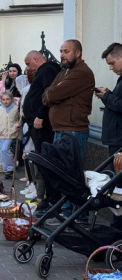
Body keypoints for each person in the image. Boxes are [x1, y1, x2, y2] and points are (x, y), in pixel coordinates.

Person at [42, 39, 95, 222]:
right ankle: (66, 212)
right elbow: (47, 93)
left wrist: (51, 94)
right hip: (61, 129)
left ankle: (78, 216)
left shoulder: (82, 73)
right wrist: (51, 94)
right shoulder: (65, 72)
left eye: (67, 51)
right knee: (61, 173)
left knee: (72, 175)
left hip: (73, 131)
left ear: (78, 53)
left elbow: (52, 94)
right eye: (61, 51)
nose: (62, 55)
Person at [20, 51, 60, 210]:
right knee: (41, 160)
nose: (28, 67)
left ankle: (52, 197)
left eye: (29, 64)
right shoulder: (44, 71)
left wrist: (40, 116)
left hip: (41, 124)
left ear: (36, 59)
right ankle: (49, 196)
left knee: (45, 161)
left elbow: (48, 95)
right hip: (35, 123)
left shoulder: (47, 70)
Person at [95, 43, 122, 229]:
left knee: (118, 185)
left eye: (112, 63)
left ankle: (117, 226)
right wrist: (109, 95)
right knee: (116, 184)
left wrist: (106, 96)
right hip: (116, 138)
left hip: (119, 140)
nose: (111, 68)